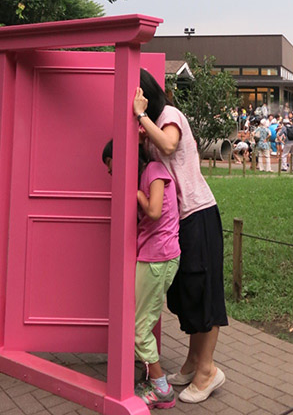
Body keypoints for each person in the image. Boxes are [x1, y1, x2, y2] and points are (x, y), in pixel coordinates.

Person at [133, 70, 227, 404]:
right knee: (187, 291)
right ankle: (193, 363)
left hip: (198, 213)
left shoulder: (168, 116)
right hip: (181, 220)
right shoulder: (150, 126)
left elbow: (170, 145)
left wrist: (140, 115)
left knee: (205, 290)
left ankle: (208, 371)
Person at [102, 140, 180, 409]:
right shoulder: (145, 176)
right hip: (151, 255)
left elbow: (155, 211)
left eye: (114, 169)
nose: (112, 175)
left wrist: (133, 192)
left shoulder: (155, 171)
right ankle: (152, 380)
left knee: (138, 329)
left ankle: (162, 389)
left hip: (160, 257)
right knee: (138, 323)